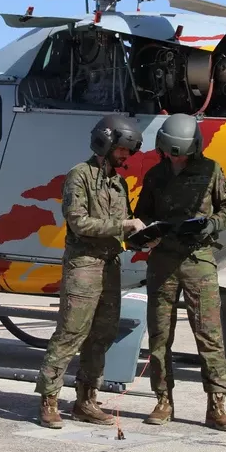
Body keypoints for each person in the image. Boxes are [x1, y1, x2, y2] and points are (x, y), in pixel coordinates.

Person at [36, 114, 146, 429]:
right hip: (83, 265)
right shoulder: (79, 176)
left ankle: (86, 400)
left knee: (103, 335)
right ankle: (48, 400)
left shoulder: (118, 183)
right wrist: (123, 225)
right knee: (70, 333)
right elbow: (78, 222)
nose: (126, 156)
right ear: (105, 142)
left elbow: (122, 226)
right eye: (123, 149)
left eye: (130, 150)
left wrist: (141, 236)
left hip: (110, 266)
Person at [133, 113, 226, 431]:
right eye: (173, 151)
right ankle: (163, 400)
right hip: (163, 261)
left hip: (198, 260)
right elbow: (143, 215)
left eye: (182, 151)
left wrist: (210, 224)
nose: (178, 157)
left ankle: (216, 404)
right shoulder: (155, 175)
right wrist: (146, 233)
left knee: (209, 335)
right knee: (160, 335)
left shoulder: (211, 170)